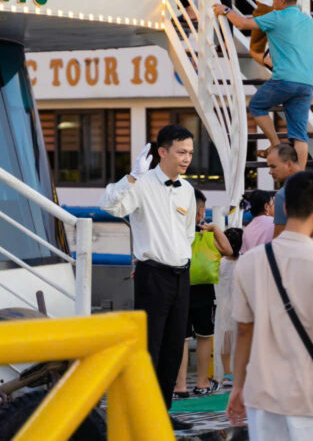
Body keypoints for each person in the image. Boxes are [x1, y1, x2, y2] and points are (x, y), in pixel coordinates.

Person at [227, 170, 313, 440]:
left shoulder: (249, 262)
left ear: (284, 208)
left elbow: (243, 332)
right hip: (309, 396)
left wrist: (237, 386)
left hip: (262, 394)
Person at [99, 126, 197, 429]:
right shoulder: (141, 184)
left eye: (190, 153)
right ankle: (139, 413)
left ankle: (161, 413)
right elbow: (110, 206)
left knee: (172, 348)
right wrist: (131, 176)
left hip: (181, 275)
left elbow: (187, 234)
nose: (186, 159)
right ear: (163, 152)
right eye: (181, 152)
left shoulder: (188, 189)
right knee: (149, 348)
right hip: (152, 275)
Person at [214, 0, 313, 170]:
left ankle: (275, 144)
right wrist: (300, 53)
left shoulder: (277, 16)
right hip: (306, 83)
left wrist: (226, 10)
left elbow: (243, 23)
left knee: (257, 105)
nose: (272, 3)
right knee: (299, 135)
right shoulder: (309, 21)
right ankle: (298, 177)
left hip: (285, 79)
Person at [175, 189, 234, 398]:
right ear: (200, 211)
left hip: (179, 288)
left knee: (181, 339)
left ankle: (179, 386)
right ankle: (201, 382)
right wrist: (216, 228)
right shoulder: (205, 233)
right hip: (203, 293)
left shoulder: (174, 230)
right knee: (204, 337)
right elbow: (228, 251)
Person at [215, 226, 244, 386]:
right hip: (242, 307)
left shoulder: (220, 263)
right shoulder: (244, 262)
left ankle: (227, 374)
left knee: (225, 341)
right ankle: (241, 372)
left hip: (225, 307)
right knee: (242, 340)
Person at [264, 142, 301, 238]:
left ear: (289, 164)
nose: (270, 172)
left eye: (273, 166)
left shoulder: (283, 195)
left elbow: (279, 240)